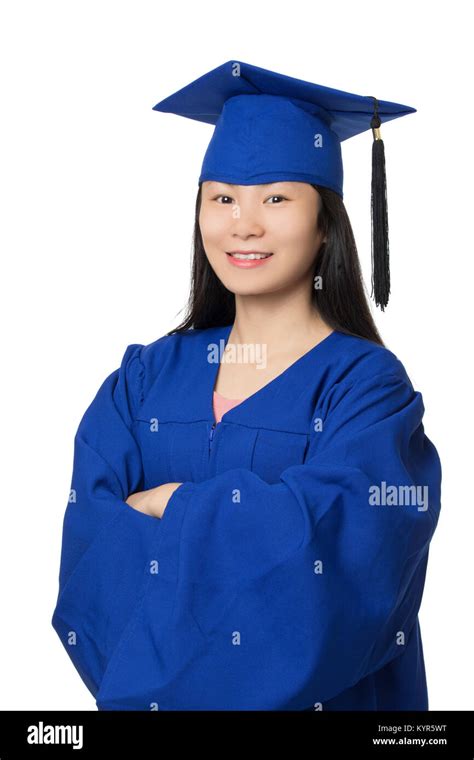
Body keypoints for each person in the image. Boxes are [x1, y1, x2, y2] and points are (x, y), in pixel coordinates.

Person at [51, 60, 442, 711]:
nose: (244, 224)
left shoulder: (367, 389)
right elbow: (93, 558)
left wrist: (172, 506)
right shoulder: (144, 378)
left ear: (325, 224)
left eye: (277, 198)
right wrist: (258, 525)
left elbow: (347, 562)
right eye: (223, 197)